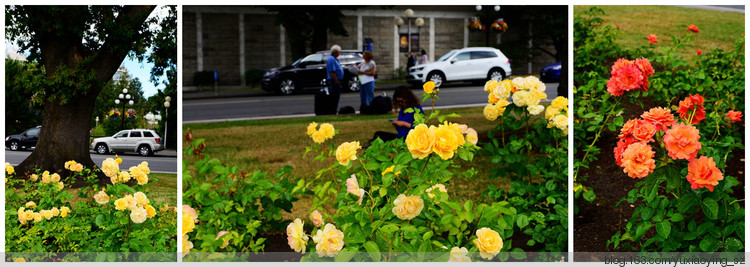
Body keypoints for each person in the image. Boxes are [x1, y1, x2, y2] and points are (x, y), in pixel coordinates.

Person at [326, 45, 344, 113]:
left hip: (336, 80)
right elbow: (332, 72)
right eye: (339, 52)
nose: (340, 53)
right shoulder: (332, 59)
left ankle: (334, 109)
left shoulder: (334, 59)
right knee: (334, 96)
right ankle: (333, 110)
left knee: (336, 96)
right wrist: (336, 81)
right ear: (336, 52)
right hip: (334, 81)